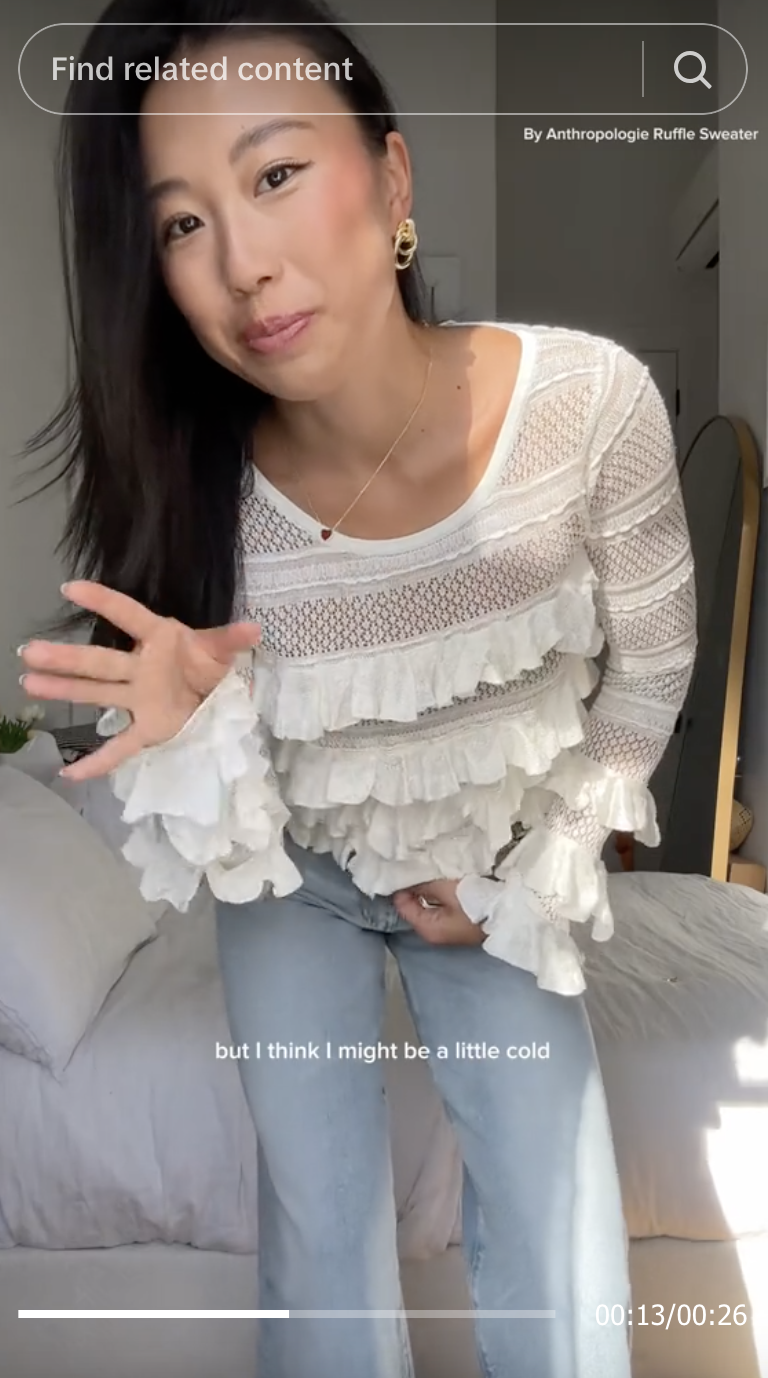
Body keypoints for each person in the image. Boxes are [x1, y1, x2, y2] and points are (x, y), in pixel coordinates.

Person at [20, 1, 697, 1374]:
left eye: (275, 173)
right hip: (295, 879)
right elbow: (222, 788)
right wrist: (194, 734)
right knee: (319, 1216)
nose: (244, 265)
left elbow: (653, 672)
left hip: (492, 861)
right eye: (181, 223)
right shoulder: (196, 495)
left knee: (555, 1205)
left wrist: (539, 867)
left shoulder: (592, 409)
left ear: (391, 176)